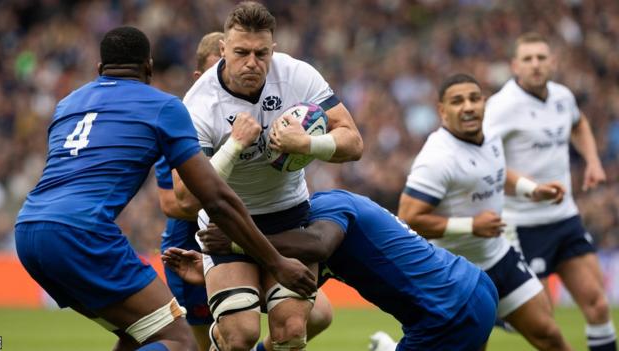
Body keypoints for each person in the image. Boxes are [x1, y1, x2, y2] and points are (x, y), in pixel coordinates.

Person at [14, 26, 316, 351]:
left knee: (138, 332)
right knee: (177, 340)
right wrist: (276, 262)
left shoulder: (66, 105)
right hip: (81, 232)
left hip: (28, 231)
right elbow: (214, 198)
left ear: (99, 70)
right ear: (149, 67)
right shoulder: (163, 107)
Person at [172, 2, 363, 351]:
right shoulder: (198, 104)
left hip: (289, 215)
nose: (252, 63)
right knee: (239, 336)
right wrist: (232, 147)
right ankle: (218, 341)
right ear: (223, 50)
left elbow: (353, 142)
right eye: (241, 52)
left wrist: (307, 143)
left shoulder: (297, 75)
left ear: (273, 49)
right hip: (226, 224)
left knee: (291, 331)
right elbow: (184, 198)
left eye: (262, 53)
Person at [163, 189, 498, 351]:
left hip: (446, 313)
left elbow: (317, 245)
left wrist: (237, 243)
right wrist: (214, 272)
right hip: (468, 288)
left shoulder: (326, 206)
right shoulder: (315, 225)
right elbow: (292, 288)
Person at [382, 73, 571, 350]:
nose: (468, 106)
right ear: (442, 111)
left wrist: (532, 190)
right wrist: (471, 226)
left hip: (498, 256)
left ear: (485, 103)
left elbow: (494, 171)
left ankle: (494, 312)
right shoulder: (437, 158)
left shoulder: (491, 134)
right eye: (457, 101)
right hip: (456, 273)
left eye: (474, 98)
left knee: (549, 334)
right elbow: (409, 218)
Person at [484, 32, 616, 351]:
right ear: (515, 66)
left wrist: (593, 161)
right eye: (528, 59)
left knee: (598, 305)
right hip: (523, 224)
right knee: (540, 319)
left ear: (553, 62)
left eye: (541, 58)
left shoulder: (562, 97)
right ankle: (498, 310)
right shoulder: (502, 106)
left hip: (565, 218)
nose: (536, 65)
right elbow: (487, 161)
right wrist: (532, 189)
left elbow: (579, 123)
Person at [154, 31, 223, 351]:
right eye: (215, 71)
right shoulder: (180, 124)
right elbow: (170, 203)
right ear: (198, 77)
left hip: (240, 242)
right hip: (189, 248)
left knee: (315, 315)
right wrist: (229, 204)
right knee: (205, 344)